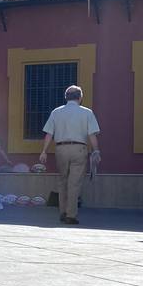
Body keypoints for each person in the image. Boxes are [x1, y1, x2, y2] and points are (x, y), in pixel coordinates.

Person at [36, 86, 100, 225]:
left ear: (66, 97)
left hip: (61, 149)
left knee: (62, 181)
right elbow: (92, 135)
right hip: (79, 148)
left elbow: (49, 134)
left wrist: (44, 151)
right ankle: (71, 215)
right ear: (80, 97)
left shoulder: (56, 112)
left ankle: (62, 212)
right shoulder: (87, 113)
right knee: (74, 183)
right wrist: (96, 150)